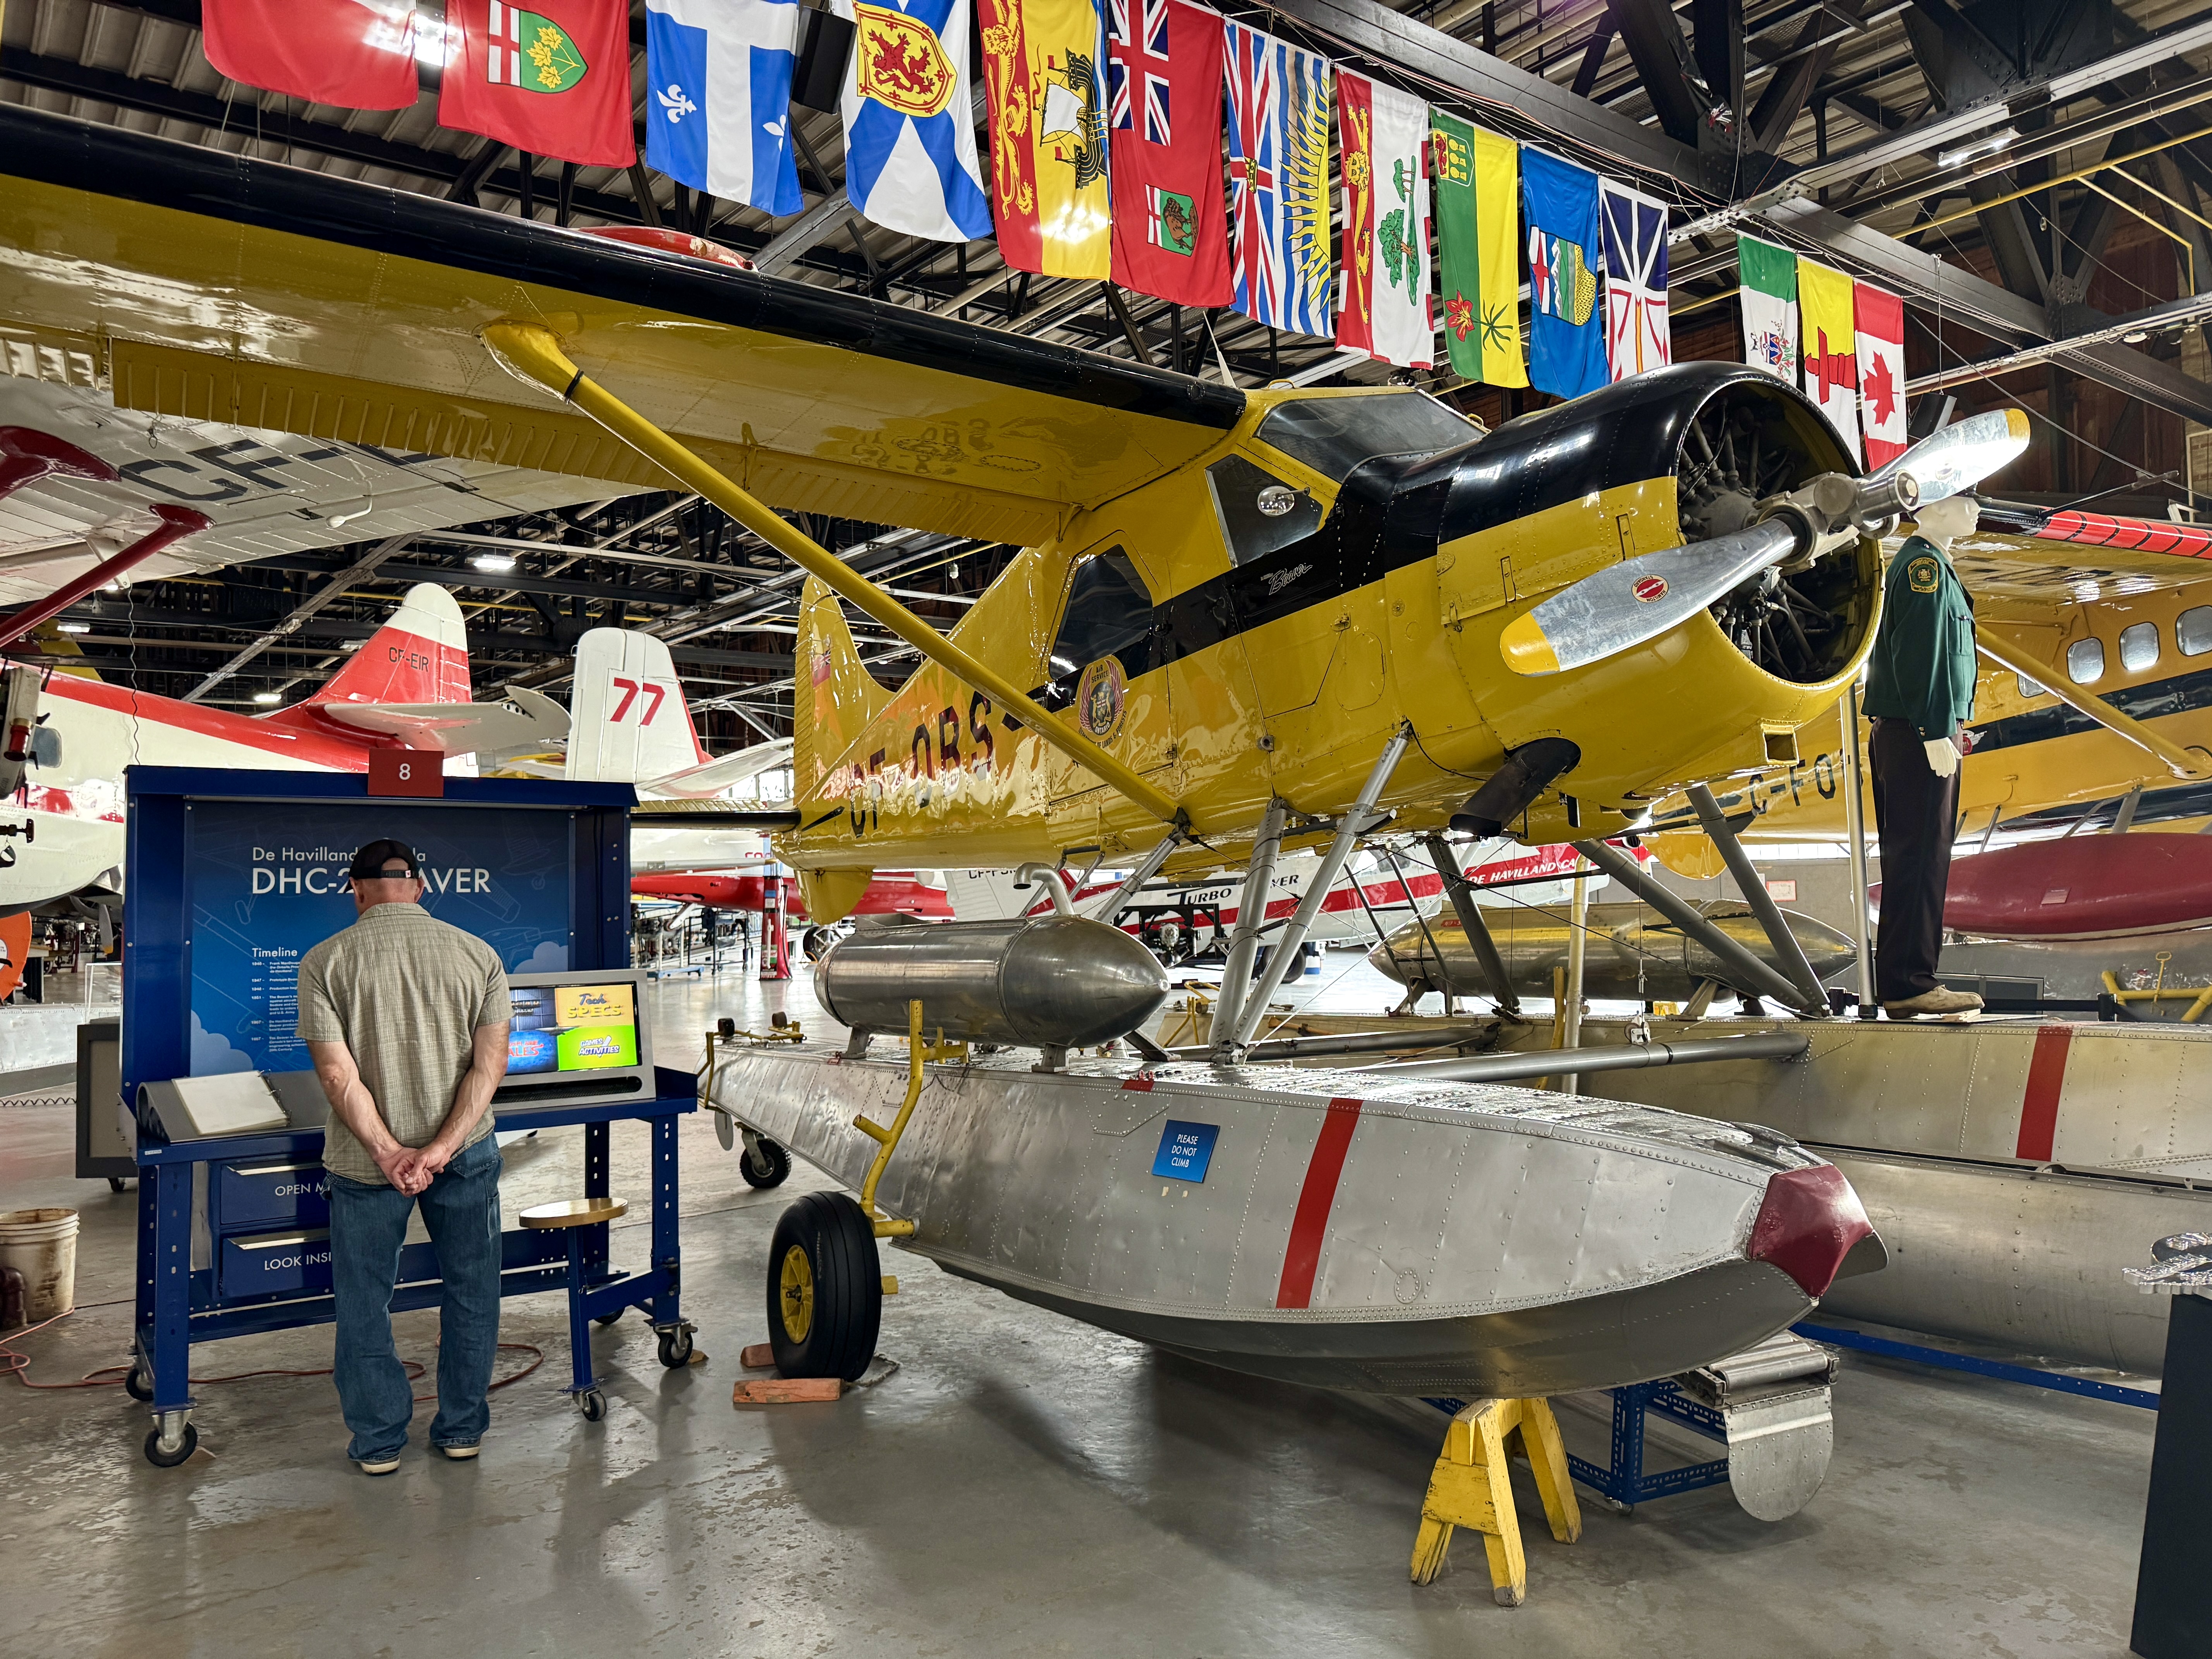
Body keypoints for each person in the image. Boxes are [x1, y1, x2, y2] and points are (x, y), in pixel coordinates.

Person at [297, 838, 512, 1473]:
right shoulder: (480, 956)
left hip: (366, 1168)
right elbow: (489, 1066)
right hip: (465, 1155)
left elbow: (338, 1080)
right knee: (473, 1291)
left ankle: (379, 1442)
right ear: (419, 887)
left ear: (356, 890)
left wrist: (392, 1154)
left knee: (364, 1302)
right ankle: (462, 1430)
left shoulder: (324, 962)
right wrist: (441, 1149)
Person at [1861, 493, 1985, 1019]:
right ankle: (1910, 984)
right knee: (1920, 857)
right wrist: (1935, 730)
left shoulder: (1933, 565)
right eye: (1965, 500)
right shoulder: (1923, 570)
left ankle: (1908, 981)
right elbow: (1923, 656)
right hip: (1917, 735)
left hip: (1919, 731)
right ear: (1932, 510)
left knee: (1920, 856)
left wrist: (1951, 723)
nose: (1976, 509)